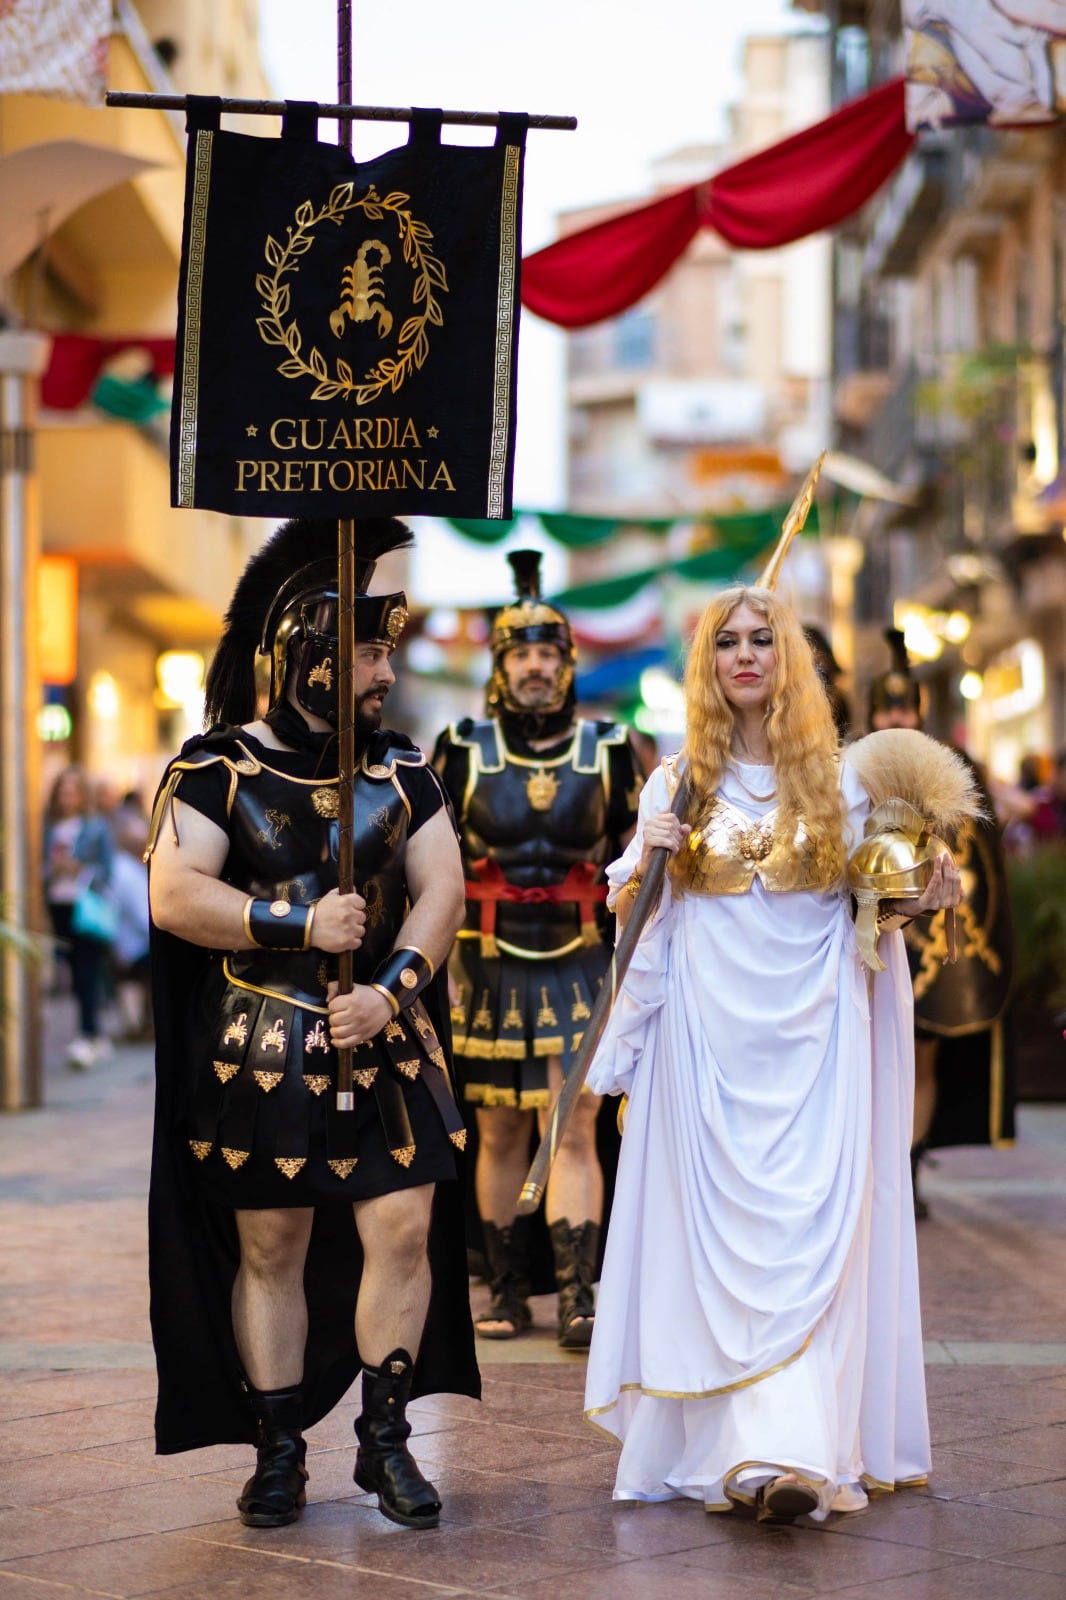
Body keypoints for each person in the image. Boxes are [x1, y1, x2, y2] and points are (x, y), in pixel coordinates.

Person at [582, 579, 966, 1523]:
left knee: (811, 1243)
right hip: (706, 1053)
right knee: (714, 1257)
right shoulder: (675, 784)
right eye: (727, 642)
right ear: (707, 666)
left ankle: (796, 1453)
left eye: (762, 639)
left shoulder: (846, 781)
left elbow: (910, 896)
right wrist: (648, 860)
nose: (746, 655)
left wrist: (922, 887)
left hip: (815, 1045)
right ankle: (725, 1454)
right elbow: (632, 921)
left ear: (787, 657)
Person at [146, 517, 477, 1533]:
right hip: (260, 1042)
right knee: (271, 1247)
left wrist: (395, 985)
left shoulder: (401, 770)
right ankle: (279, 1447)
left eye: (387, 651)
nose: (385, 671)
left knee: (403, 1228)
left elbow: (441, 889)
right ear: (307, 654)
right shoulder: (215, 770)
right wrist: (294, 918)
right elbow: (172, 892)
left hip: (384, 1029)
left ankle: (385, 1441)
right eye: (369, 651)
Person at [434, 550, 643, 1348]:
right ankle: (505, 1289)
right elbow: (434, 860)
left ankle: (578, 1292)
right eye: (519, 653)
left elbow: (639, 862)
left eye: (546, 653)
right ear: (498, 665)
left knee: (578, 1123)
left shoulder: (613, 746)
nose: (533, 666)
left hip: (583, 957)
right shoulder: (459, 746)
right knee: (498, 1132)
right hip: (485, 961)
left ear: (567, 663)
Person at [868, 631, 1015, 1216]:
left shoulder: (950, 772)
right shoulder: (854, 770)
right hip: (871, 935)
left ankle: (905, 1170)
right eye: (888, 706)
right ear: (874, 711)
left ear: (917, 710)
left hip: (930, 944)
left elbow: (975, 861)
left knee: (919, 1056)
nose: (897, 715)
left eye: (905, 705)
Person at [43, 766, 116, 1069]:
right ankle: (93, 1034)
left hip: (85, 905)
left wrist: (80, 871)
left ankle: (88, 1035)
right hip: (58, 903)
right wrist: (52, 870)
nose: (67, 797)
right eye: (62, 791)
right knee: (72, 972)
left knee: (86, 970)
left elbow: (107, 870)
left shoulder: (96, 826)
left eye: (72, 791)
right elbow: (40, 867)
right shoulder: (50, 829)